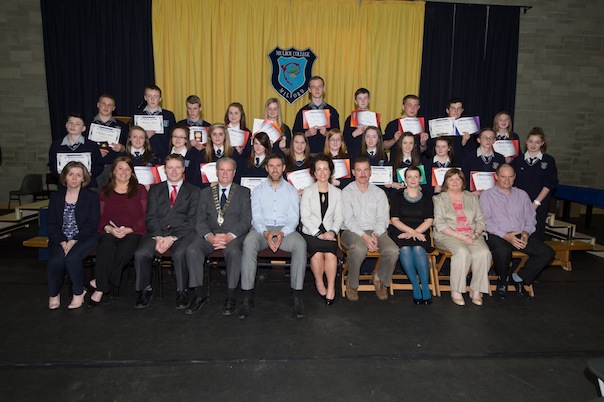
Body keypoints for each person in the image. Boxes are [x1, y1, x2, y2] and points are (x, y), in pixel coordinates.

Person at [239, 153, 307, 319]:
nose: (275, 169)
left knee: (300, 245)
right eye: (271, 166)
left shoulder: (291, 191)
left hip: (286, 230)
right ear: (266, 168)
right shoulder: (257, 191)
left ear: (284, 168)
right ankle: (247, 296)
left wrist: (282, 233)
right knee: (248, 243)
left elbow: (293, 218)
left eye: (278, 166)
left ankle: (296, 296)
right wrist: (267, 233)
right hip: (262, 230)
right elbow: (256, 218)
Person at [133, 154, 200, 309]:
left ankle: (182, 290)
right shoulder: (155, 189)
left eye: (178, 167)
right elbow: (150, 216)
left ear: (183, 169)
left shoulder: (194, 191)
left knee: (180, 253)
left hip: (182, 233)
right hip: (157, 232)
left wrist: (172, 238)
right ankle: (145, 289)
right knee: (141, 253)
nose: (174, 171)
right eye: (170, 167)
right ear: (164, 169)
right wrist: (157, 237)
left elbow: (192, 221)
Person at [185, 157, 252, 315]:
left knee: (234, 252)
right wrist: (209, 237)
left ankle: (230, 295)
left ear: (234, 173)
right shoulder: (205, 193)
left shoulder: (243, 192)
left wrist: (230, 236)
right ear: (216, 172)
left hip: (233, 236)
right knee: (192, 249)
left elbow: (246, 220)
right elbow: (199, 220)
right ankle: (199, 294)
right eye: (222, 170)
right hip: (210, 235)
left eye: (229, 170)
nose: (225, 173)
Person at [480, 164, 555, 299]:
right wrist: (506, 236)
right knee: (503, 251)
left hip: (519, 233)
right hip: (497, 234)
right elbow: (486, 222)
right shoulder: (487, 195)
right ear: (496, 177)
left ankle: (518, 277)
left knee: (547, 252)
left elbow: (530, 218)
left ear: (514, 177)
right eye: (503, 177)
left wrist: (526, 232)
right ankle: (503, 281)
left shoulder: (522, 195)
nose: (507, 180)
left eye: (510, 177)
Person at [88, 157, 148, 306]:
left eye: (128, 169)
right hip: (110, 230)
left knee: (125, 249)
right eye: (120, 168)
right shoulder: (103, 191)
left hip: (133, 231)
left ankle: (101, 284)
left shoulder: (140, 190)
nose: (124, 172)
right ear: (113, 171)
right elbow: (100, 217)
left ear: (132, 173)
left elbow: (145, 215)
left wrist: (130, 229)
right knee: (105, 247)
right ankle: (103, 285)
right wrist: (109, 228)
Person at [340, 157, 399, 301]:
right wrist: (364, 237)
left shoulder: (379, 193)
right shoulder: (346, 192)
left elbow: (383, 219)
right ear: (353, 172)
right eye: (359, 170)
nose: (363, 174)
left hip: (375, 231)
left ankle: (380, 280)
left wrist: (376, 235)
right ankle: (352, 285)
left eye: (366, 170)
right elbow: (348, 220)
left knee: (393, 250)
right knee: (359, 248)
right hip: (351, 232)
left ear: (370, 172)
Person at [432, 168, 491, 306]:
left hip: (471, 234)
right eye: (451, 179)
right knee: (462, 252)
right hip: (448, 234)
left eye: (457, 179)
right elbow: (439, 223)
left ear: (463, 181)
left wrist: (475, 234)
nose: (454, 182)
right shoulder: (439, 198)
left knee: (484, 253)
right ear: (445, 181)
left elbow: (480, 220)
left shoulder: (472, 197)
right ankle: (457, 290)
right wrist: (460, 236)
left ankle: (476, 290)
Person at [46, 161, 100, 310]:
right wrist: (63, 241)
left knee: (72, 258)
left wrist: (74, 240)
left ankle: (78, 293)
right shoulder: (56, 197)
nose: (74, 178)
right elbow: (51, 223)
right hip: (60, 238)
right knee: (56, 260)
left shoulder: (91, 197)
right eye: (71, 174)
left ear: (84, 178)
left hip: (85, 237)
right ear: (65, 177)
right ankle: (54, 294)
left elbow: (92, 223)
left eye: (78, 175)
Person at [300, 154, 343, 305]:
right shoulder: (307, 191)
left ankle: (331, 287)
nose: (322, 172)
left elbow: (339, 217)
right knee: (317, 254)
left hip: (330, 233)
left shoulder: (337, 193)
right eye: (319, 169)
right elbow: (304, 217)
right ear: (314, 173)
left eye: (325, 169)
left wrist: (332, 232)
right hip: (311, 233)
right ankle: (319, 282)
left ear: (330, 171)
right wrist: (317, 233)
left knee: (331, 255)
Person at [389, 166, 434, 305]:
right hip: (401, 232)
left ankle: (425, 286)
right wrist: (411, 232)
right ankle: (415, 286)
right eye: (409, 177)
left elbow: (429, 220)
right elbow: (394, 220)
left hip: (421, 232)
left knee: (419, 249)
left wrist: (415, 233)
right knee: (405, 249)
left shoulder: (427, 197)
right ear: (405, 179)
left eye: (416, 176)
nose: (413, 179)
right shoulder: (397, 196)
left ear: (421, 179)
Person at [511, 127, 558, 240]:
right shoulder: (518, 160)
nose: (533, 145)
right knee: (517, 230)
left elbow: (549, 184)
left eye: (537, 142)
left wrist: (536, 203)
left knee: (536, 232)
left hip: (539, 203)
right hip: (519, 202)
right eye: (531, 141)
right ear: (526, 142)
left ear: (542, 143)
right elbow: (512, 183)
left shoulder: (548, 161)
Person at [48, 113, 103, 188]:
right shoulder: (56, 145)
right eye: (70, 123)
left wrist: (87, 174)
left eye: (77, 124)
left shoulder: (92, 145)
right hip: (65, 187)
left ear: (83, 128)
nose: (73, 126)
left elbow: (99, 166)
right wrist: (65, 176)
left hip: (88, 186)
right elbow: (52, 166)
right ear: (66, 125)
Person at [88, 94, 129, 188]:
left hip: (114, 169)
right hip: (94, 169)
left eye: (110, 105)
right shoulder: (87, 125)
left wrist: (122, 148)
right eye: (103, 103)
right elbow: (83, 148)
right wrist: (96, 153)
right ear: (98, 104)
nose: (106, 107)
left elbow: (130, 147)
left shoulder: (122, 126)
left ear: (114, 108)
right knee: (94, 199)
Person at [293, 76, 340, 154]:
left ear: (324, 88)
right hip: (307, 154)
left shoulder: (332, 111)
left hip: (327, 153)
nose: (317, 89)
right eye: (314, 87)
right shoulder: (302, 112)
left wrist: (327, 134)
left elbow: (338, 133)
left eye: (319, 86)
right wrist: (306, 134)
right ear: (309, 90)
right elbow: (295, 133)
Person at [133, 84, 176, 163]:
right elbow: (132, 138)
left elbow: (173, 137)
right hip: (143, 156)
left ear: (160, 99)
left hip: (164, 156)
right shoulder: (138, 116)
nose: (152, 99)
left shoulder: (169, 115)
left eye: (155, 97)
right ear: (145, 98)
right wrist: (144, 137)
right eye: (149, 96)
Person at [425, 98, 474, 162]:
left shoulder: (468, 128)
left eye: (459, 108)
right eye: (453, 108)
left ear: (462, 110)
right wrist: (437, 139)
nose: (456, 111)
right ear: (447, 110)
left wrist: (464, 142)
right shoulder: (437, 125)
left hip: (458, 165)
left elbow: (470, 155)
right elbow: (428, 153)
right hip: (439, 165)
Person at [384, 94, 429, 162]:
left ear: (419, 107)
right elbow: (384, 146)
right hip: (396, 164)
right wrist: (394, 140)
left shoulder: (422, 125)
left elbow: (421, 151)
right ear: (403, 106)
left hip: (415, 165)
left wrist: (423, 143)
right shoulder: (393, 124)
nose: (412, 108)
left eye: (415, 106)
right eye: (409, 105)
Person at [461, 128, 505, 196]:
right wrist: (470, 193)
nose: (488, 140)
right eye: (485, 137)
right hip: (473, 196)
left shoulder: (500, 158)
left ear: (494, 140)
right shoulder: (469, 157)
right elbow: (463, 178)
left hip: (494, 196)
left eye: (491, 137)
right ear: (478, 140)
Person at [343, 88, 381, 162]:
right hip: (355, 156)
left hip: (371, 157)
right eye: (360, 99)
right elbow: (344, 141)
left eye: (365, 98)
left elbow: (380, 138)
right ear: (356, 102)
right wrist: (355, 133)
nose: (363, 101)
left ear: (369, 100)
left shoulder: (374, 118)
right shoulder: (350, 118)